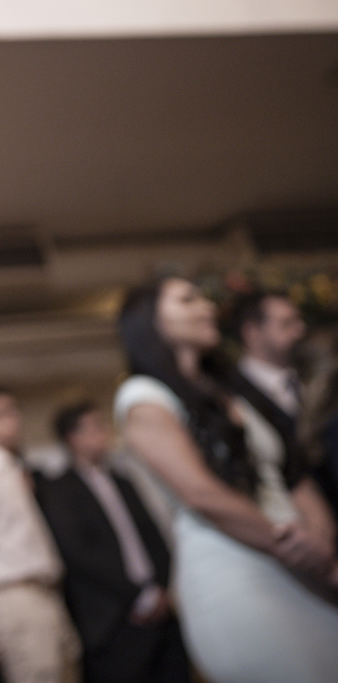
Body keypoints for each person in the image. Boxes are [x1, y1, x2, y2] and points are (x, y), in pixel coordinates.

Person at [114, 277, 338, 683]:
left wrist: (320, 541)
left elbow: (294, 474)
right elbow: (200, 493)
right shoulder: (143, 395)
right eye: (187, 300)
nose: (208, 307)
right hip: (237, 568)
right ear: (150, 321)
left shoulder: (232, 389)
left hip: (303, 559)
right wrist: (291, 545)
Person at [37, 402, 190, 683]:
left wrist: (159, 588)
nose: (103, 433)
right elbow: (80, 554)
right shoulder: (59, 489)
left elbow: (154, 537)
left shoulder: (123, 481)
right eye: (94, 427)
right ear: (72, 438)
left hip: (160, 609)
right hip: (112, 619)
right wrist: (138, 596)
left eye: (102, 425)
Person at [0, 389, 80, 683]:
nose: (14, 420)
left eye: (15, 411)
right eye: (2, 413)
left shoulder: (11, 467)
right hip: (14, 595)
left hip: (44, 592)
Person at [230, 290, 308, 420]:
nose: (300, 330)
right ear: (251, 332)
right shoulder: (233, 392)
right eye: (286, 324)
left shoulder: (306, 376)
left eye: (299, 321)